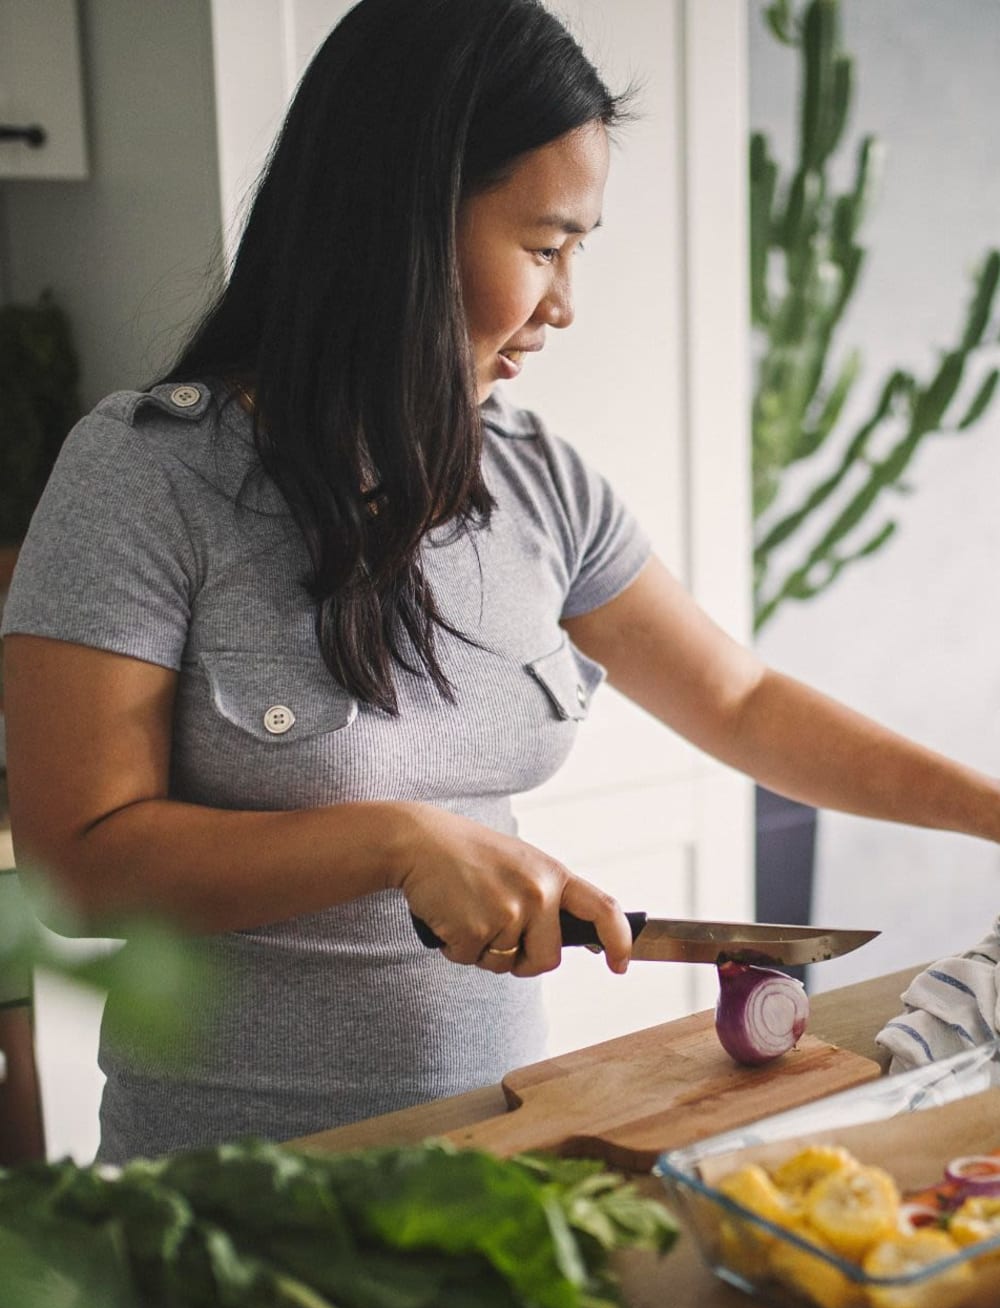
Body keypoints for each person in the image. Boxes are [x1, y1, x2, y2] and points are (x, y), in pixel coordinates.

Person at [2, 0, 998, 1165]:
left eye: (579, 249)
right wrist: (392, 839)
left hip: (496, 1147)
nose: (565, 302)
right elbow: (79, 868)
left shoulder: (539, 483)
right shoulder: (143, 472)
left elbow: (738, 702)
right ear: (398, 225)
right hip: (228, 1187)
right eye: (542, 246)